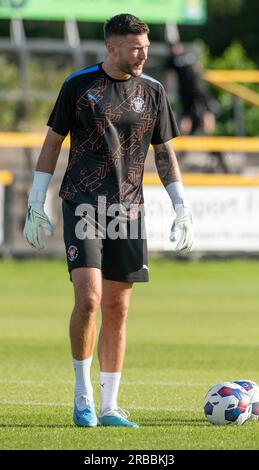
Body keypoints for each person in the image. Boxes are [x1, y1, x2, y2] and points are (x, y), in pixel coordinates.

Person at [23, 13, 194, 428]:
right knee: (91, 299)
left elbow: (163, 151)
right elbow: (52, 143)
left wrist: (181, 203)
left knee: (118, 308)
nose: (143, 54)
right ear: (112, 47)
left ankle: (110, 406)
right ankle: (82, 399)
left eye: (146, 47)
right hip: (83, 203)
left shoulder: (153, 90)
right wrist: (35, 198)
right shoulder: (78, 85)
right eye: (136, 48)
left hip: (129, 209)